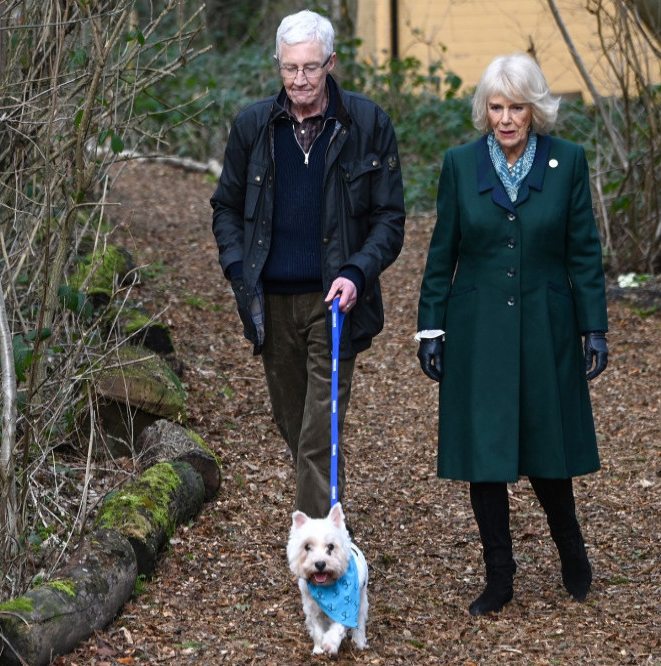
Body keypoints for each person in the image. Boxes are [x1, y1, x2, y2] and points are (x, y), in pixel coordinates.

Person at [415, 52, 610, 615]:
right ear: (486, 110)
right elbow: (441, 253)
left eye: (516, 107)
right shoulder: (460, 165)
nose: (505, 118)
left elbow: (584, 250)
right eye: (496, 106)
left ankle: (571, 550)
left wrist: (593, 325)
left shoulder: (567, 162)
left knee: (547, 448)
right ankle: (499, 576)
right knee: (486, 454)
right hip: (477, 331)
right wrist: (432, 327)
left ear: (535, 110)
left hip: (546, 324)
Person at [211, 10, 406, 520]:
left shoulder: (366, 123)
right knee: (295, 426)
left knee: (319, 434)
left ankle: (320, 562)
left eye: (311, 68)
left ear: (331, 64)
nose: (300, 79)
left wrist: (357, 271)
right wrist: (237, 269)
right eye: (290, 67)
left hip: (334, 299)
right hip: (270, 304)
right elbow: (226, 207)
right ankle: (331, 524)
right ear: (278, 64)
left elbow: (390, 218)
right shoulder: (254, 126)